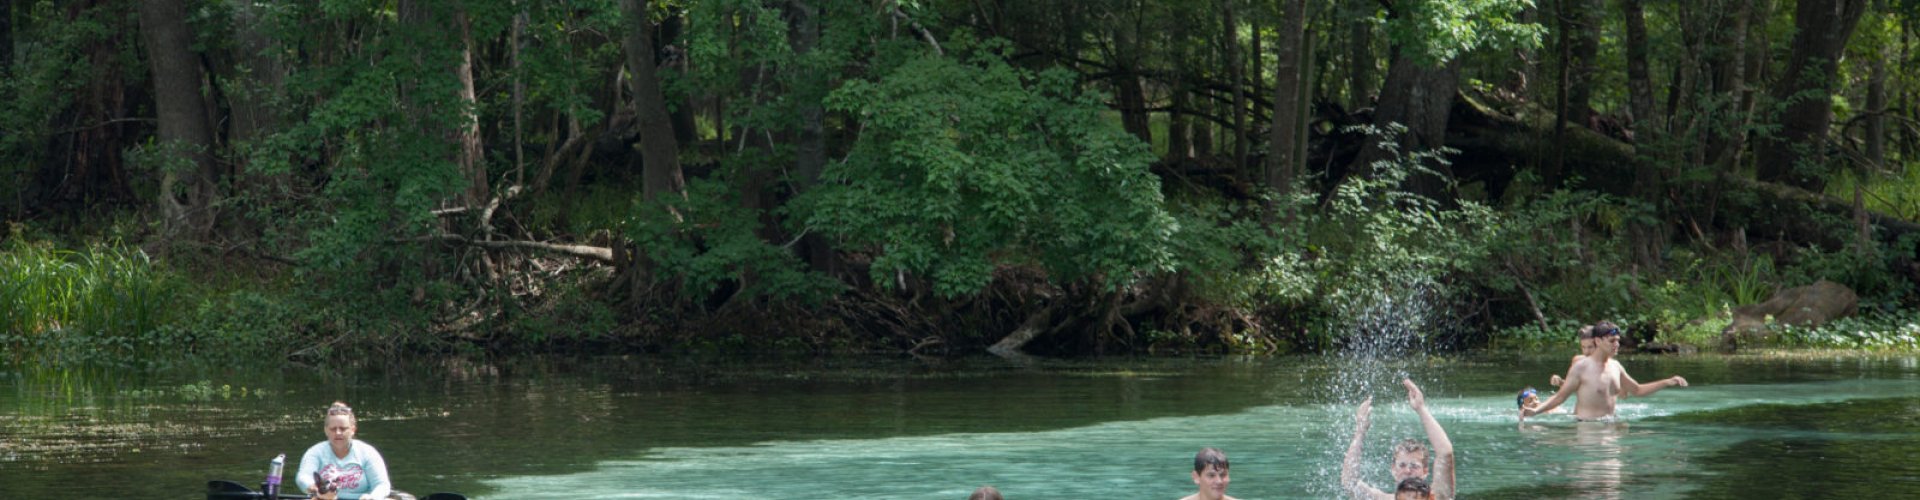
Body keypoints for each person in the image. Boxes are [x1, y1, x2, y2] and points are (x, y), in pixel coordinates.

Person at [1521, 321, 1689, 422]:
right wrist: (1536, 411)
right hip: (1588, 429)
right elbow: (1560, 397)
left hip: (1611, 426)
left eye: (1618, 340)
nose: (1617, 344)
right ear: (1599, 341)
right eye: (1612, 341)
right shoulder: (1581, 366)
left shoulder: (1616, 366)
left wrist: (1667, 382)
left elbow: (1637, 390)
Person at [1341, 379, 1455, 500]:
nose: (1407, 471)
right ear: (1393, 470)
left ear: (1425, 471)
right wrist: (1360, 432)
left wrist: (1421, 409)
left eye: (1414, 466)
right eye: (1402, 465)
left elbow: (1445, 453)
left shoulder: (1436, 497)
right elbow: (1349, 483)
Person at [296, 401, 392, 500]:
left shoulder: (368, 452)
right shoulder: (315, 452)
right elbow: (303, 477)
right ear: (326, 430)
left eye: (343, 429)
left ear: (353, 430)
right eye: (333, 429)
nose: (338, 433)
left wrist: (373, 497)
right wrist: (313, 487)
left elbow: (382, 484)